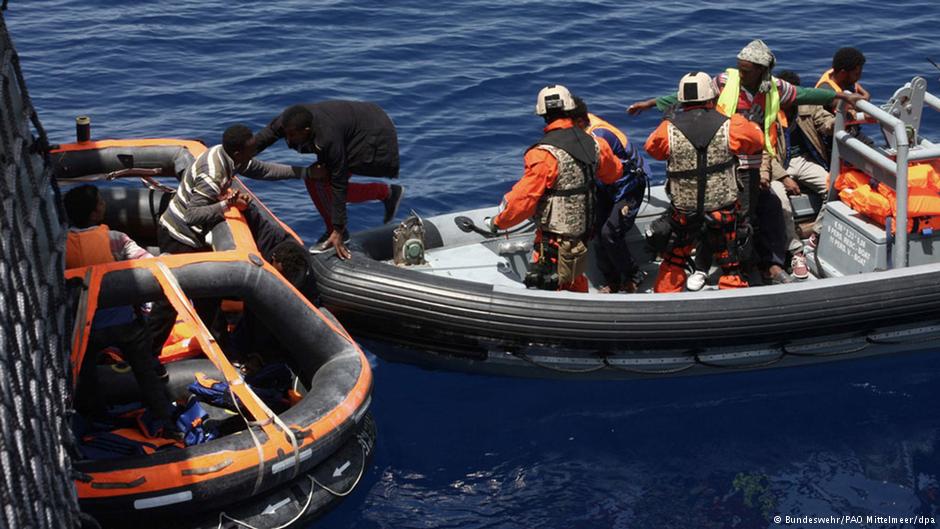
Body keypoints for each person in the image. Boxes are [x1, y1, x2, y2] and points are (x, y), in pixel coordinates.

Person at [628, 39, 864, 284]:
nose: (740, 72)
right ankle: (720, 267)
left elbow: (805, 94)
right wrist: (650, 103)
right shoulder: (724, 83)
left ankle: (751, 267)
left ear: (762, 70)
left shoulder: (775, 88)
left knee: (751, 216)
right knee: (725, 218)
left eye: (746, 69)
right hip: (724, 162)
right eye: (739, 67)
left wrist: (839, 96)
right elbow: (689, 97)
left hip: (755, 163)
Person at [484, 85, 622, 292]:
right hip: (582, 236)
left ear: (542, 115)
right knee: (574, 278)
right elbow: (614, 173)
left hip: (553, 242)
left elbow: (524, 200)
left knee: (552, 285)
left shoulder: (542, 154)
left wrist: (498, 222)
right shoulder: (597, 144)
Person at [64, 184, 176, 433]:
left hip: (86, 328)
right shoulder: (116, 239)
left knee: (85, 374)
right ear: (95, 214)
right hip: (125, 324)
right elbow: (147, 263)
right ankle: (164, 418)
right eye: (101, 203)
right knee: (145, 369)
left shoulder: (60, 245)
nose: (105, 205)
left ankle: (95, 419)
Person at [644, 72, 764, 292]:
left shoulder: (667, 129)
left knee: (674, 260)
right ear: (713, 96)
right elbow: (756, 143)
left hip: (684, 211)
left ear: (680, 99)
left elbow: (653, 149)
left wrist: (667, 121)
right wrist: (752, 123)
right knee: (730, 263)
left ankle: (665, 303)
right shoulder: (732, 125)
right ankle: (731, 305)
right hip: (722, 210)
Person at [254, 102, 405, 259]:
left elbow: (339, 184)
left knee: (326, 184)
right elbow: (266, 136)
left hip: (370, 134)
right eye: (286, 134)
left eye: (292, 135)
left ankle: (341, 228)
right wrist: (238, 157)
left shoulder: (328, 138)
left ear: (307, 131)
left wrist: (338, 229)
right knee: (314, 180)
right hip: (358, 123)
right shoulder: (287, 122)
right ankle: (387, 193)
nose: (288, 139)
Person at [158, 124, 304, 257]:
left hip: (190, 235)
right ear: (237, 153)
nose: (254, 153)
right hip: (179, 237)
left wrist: (304, 173)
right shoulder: (213, 174)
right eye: (251, 151)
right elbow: (191, 216)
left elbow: (263, 170)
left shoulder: (229, 156)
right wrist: (228, 204)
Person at [570, 97, 650, 293]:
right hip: (605, 185)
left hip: (627, 186)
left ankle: (633, 274)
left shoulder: (598, 137)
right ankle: (611, 280)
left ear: (580, 122)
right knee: (596, 231)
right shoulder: (582, 127)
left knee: (610, 232)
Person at [761, 70, 835, 279]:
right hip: (776, 164)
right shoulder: (765, 111)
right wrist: (784, 177)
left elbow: (824, 121)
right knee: (780, 201)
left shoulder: (809, 104)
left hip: (804, 161)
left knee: (833, 186)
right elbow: (764, 151)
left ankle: (817, 234)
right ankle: (796, 251)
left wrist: (838, 122)